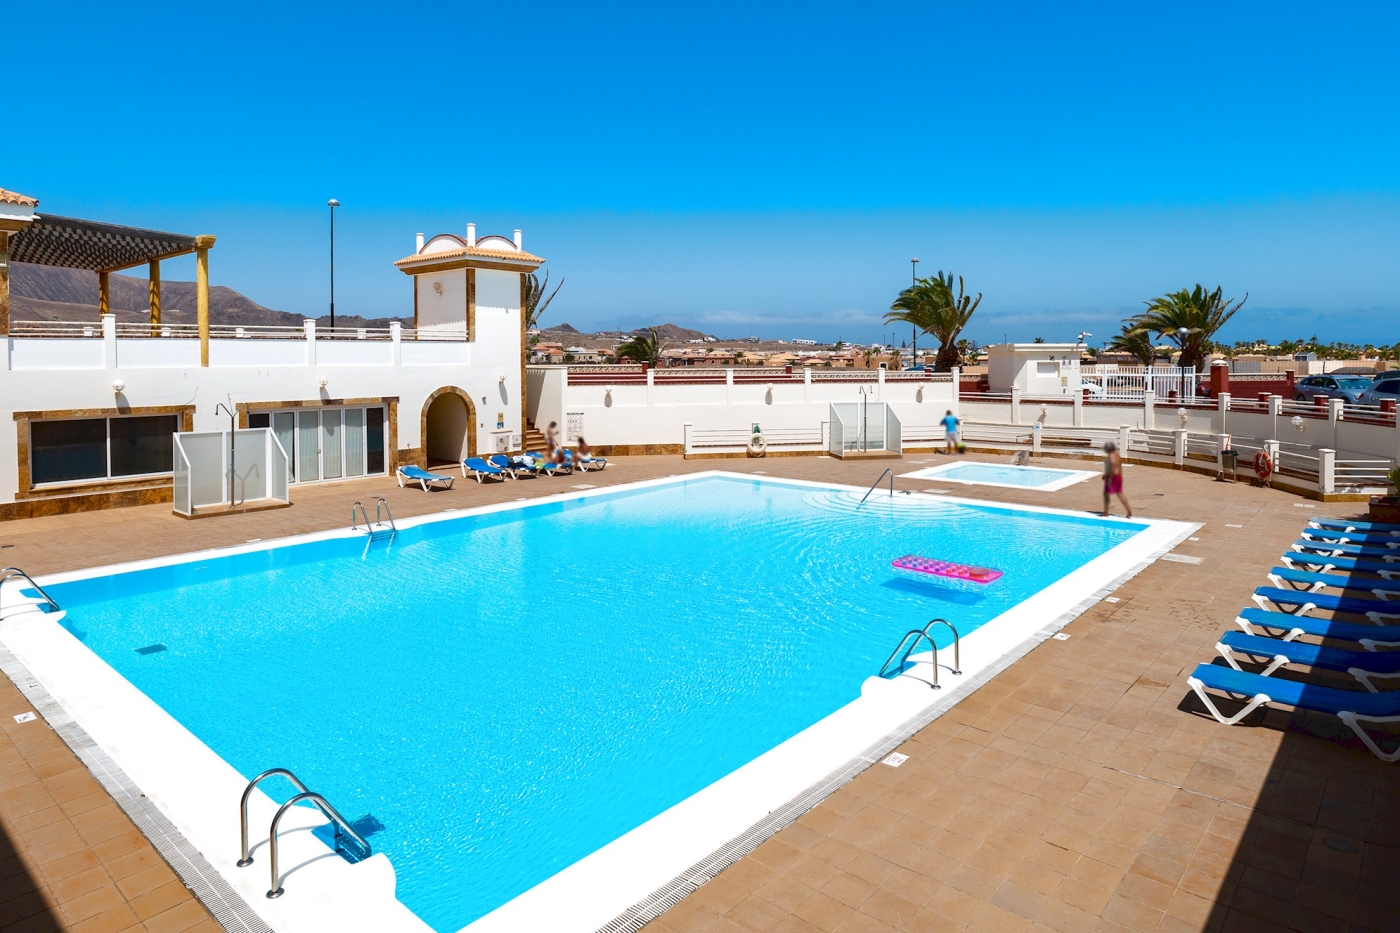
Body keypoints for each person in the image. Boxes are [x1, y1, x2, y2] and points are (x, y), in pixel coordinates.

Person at [1102, 441, 1133, 518]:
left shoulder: (1111, 456)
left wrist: (1109, 478)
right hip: (1118, 477)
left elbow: (1112, 467)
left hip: (1113, 477)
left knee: (1106, 494)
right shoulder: (1117, 455)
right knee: (1119, 494)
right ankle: (1129, 512)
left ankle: (1106, 512)